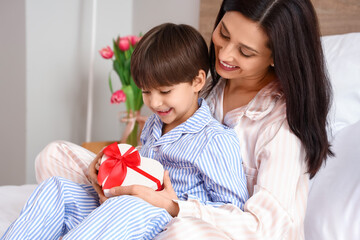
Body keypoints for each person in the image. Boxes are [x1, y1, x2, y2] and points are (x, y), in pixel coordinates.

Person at [32, 0, 332, 238]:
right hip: (153, 201)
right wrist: (110, 167)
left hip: (202, 224)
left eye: (245, 51)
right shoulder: (207, 82)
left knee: (183, 232)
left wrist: (174, 207)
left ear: (276, 56)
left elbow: (266, 230)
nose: (224, 54)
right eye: (224, 34)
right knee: (54, 156)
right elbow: (157, 154)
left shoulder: (282, 127)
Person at [2, 23, 248, 240]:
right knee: (56, 188)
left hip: (166, 219)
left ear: (197, 81)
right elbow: (142, 167)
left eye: (164, 92)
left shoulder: (215, 140)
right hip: (124, 209)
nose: (154, 102)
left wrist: (174, 204)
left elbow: (232, 212)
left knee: (128, 206)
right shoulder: (154, 124)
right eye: (146, 92)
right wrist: (108, 167)